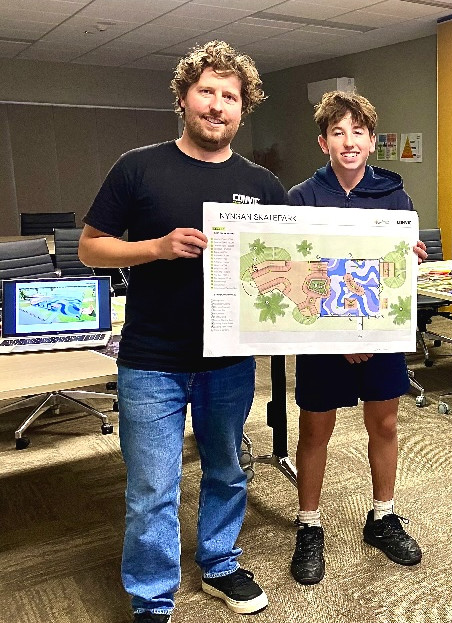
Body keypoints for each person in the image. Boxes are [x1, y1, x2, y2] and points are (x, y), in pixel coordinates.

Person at [78, 41, 287, 622]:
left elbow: (299, 263)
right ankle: (152, 597)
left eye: (231, 97)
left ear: (243, 109)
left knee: (225, 468)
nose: (218, 106)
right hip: (151, 361)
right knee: (152, 487)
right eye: (207, 92)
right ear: (183, 98)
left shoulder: (263, 185)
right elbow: (90, 246)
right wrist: (156, 247)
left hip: (228, 362)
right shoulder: (138, 167)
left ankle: (220, 563)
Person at [286, 91, 427, 585]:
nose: (349, 142)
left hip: (380, 331)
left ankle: (383, 515)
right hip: (322, 337)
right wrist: (335, 334)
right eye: (338, 133)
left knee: (384, 425)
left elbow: (394, 272)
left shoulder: (393, 195)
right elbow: (300, 279)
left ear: (372, 141)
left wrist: (410, 257)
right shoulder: (302, 198)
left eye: (359, 132)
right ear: (323, 142)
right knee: (314, 431)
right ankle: (309, 526)